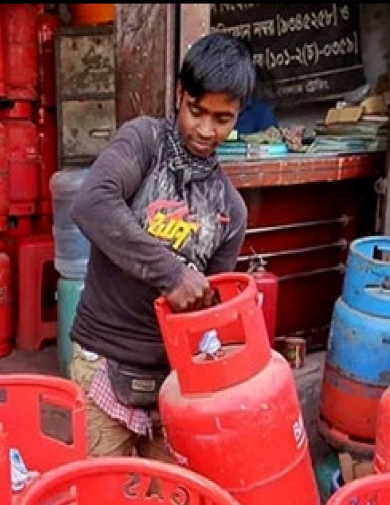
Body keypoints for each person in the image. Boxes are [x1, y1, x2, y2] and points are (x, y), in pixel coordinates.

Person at [67, 32, 254, 461]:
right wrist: (171, 273)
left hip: (175, 381)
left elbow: (212, 310)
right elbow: (91, 203)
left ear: (237, 116)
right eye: (196, 111)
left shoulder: (231, 210)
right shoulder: (144, 143)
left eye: (222, 119)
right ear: (179, 95)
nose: (206, 130)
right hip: (104, 359)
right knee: (104, 501)